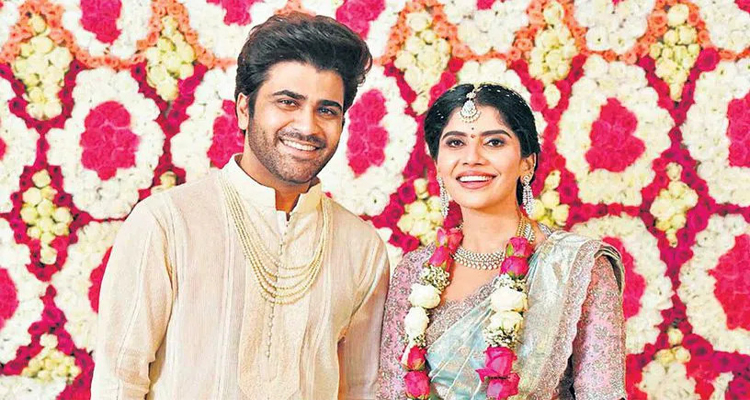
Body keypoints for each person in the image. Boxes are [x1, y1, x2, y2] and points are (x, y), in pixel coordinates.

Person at [91, 12, 390, 399]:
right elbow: (119, 381)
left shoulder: (361, 248)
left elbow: (363, 389)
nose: (307, 126)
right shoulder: (167, 223)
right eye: (288, 102)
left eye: (327, 110)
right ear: (244, 109)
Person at [377, 83, 626, 399]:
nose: (472, 158)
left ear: (527, 162)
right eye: (455, 143)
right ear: (438, 164)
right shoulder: (413, 271)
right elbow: (393, 391)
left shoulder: (577, 267)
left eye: (494, 142)